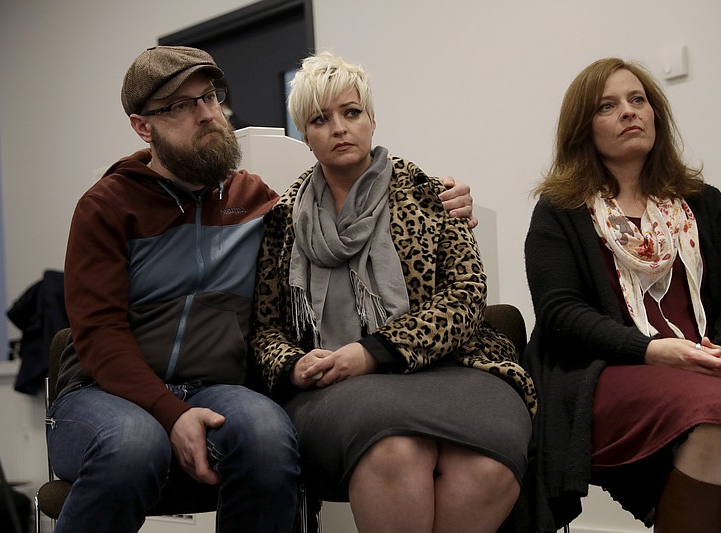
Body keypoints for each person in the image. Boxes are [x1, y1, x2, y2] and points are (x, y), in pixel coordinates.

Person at [47, 45, 478, 533]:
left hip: (215, 389)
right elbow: (100, 336)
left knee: (270, 436)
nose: (208, 114)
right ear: (143, 126)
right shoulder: (105, 207)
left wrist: (446, 199)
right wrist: (170, 414)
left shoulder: (258, 201)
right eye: (182, 106)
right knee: (133, 444)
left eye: (210, 96)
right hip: (103, 395)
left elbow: (339, 221)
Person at [252, 51, 537, 533]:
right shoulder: (282, 219)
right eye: (320, 119)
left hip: (458, 367)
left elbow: (467, 296)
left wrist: (376, 351)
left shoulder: (429, 192)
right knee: (397, 450)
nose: (339, 128)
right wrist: (292, 363)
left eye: (351, 112)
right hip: (334, 386)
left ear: (372, 120)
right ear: (304, 134)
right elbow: (266, 328)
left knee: (486, 465)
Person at [522, 57, 721, 533]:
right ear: (584, 128)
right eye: (608, 105)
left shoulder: (704, 202)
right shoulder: (561, 210)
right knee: (710, 426)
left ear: (655, 113)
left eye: (638, 100)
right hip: (608, 370)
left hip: (708, 367)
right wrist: (652, 350)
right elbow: (560, 314)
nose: (629, 112)